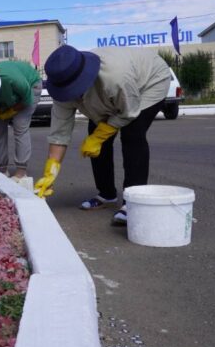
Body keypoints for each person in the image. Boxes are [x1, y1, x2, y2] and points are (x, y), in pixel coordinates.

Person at [34, 45, 170, 226]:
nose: (71, 95)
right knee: (95, 135)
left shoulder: (115, 77)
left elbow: (128, 112)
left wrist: (98, 137)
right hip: (111, 93)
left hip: (149, 81)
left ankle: (134, 201)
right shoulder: (61, 86)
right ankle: (107, 194)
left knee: (132, 134)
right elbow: (59, 133)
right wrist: (50, 173)